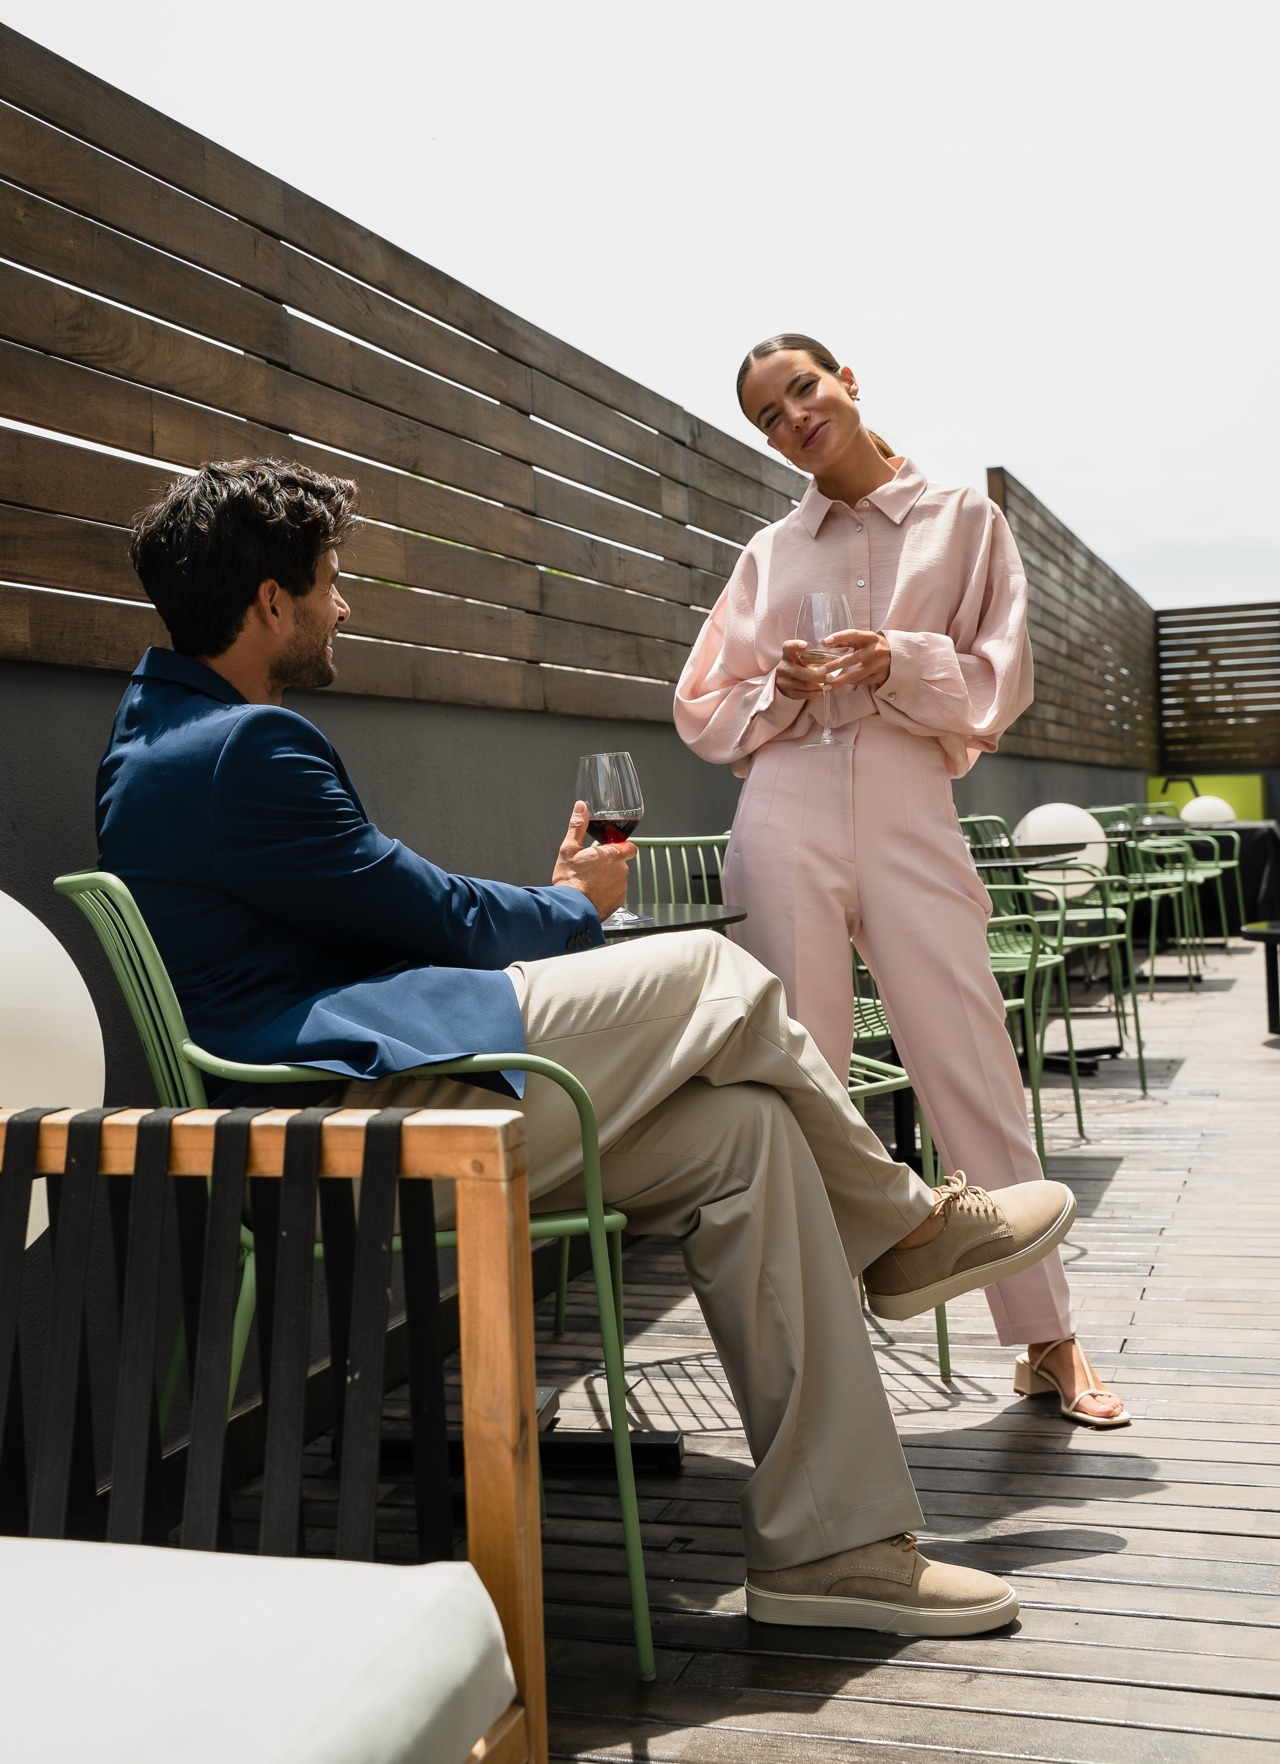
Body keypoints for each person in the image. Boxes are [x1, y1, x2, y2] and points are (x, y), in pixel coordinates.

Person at [98, 457, 1080, 1633]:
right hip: (360, 1129)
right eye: (329, 581)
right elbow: (433, 914)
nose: (342, 605)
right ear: (270, 601)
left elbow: (374, 917)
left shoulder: (160, 738)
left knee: (745, 1131)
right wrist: (571, 902)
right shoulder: (246, 748)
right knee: (712, 969)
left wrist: (549, 903)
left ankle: (830, 1546)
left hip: (355, 1099)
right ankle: (906, 1228)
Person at [674, 335, 1127, 1430]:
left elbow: (999, 676)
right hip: (782, 806)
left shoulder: (963, 520)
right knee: (801, 1083)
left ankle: (1048, 1341)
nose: (793, 419)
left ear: (845, 379)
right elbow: (701, 704)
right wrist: (781, 690)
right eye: (768, 416)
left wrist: (901, 660)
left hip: (908, 800)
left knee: (971, 1059)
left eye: (801, 389)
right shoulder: (768, 552)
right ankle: (820, 1359)